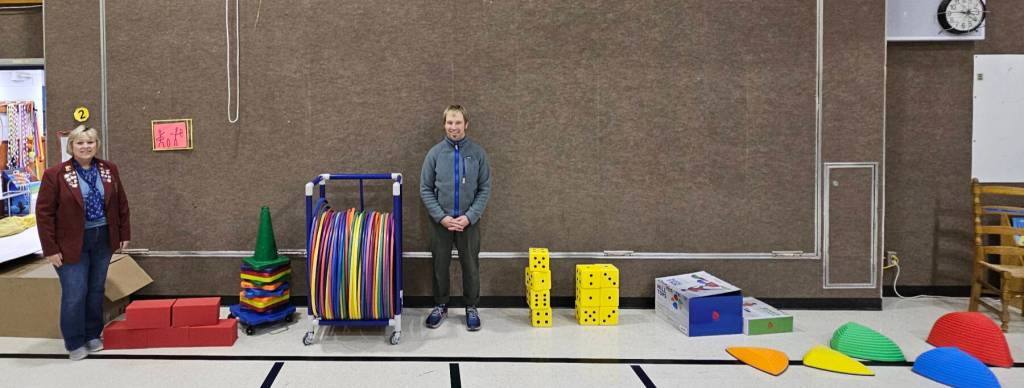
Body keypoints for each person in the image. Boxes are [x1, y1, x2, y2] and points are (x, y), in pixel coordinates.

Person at [36, 125, 131, 360]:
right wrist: (50, 249)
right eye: (80, 142)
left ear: (97, 144)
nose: (85, 147)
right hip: (69, 243)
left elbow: (121, 204)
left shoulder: (109, 169)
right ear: (71, 146)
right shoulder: (55, 174)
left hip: (103, 239)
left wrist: (123, 234)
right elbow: (44, 214)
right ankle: (74, 341)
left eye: (90, 142)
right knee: (75, 292)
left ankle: (92, 334)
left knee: (96, 290)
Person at [420, 105, 492, 331]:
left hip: (468, 223)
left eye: (458, 123)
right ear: (444, 125)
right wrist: (441, 217)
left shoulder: (478, 154)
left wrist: (469, 216)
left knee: (470, 265)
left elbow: (485, 188)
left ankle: (471, 306)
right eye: (450, 123)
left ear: (466, 124)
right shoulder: (434, 154)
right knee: (439, 265)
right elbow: (425, 189)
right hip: (440, 223)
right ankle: (440, 305)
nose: (454, 127)